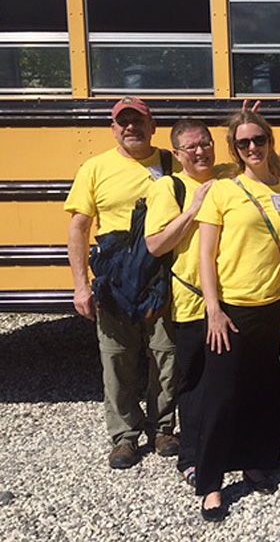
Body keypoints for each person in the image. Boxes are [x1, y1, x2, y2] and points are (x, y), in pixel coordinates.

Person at [194, 109, 280, 521]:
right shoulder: (223, 191)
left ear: (271, 142)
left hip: (275, 305)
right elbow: (206, 254)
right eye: (244, 143)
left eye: (259, 140)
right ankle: (210, 483)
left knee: (265, 391)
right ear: (234, 149)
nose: (253, 148)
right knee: (221, 398)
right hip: (233, 309)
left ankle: (257, 462)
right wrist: (213, 309)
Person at [65, 96, 180, 469]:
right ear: (113, 129)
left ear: (153, 127)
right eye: (123, 123)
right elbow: (79, 228)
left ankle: (163, 428)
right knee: (117, 359)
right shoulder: (95, 168)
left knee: (165, 354)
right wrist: (81, 285)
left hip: (160, 271)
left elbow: (216, 171)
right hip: (115, 275)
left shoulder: (171, 163)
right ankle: (124, 436)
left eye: (138, 121)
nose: (131, 128)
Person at [143, 118, 216, 487]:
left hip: (232, 299)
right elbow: (155, 244)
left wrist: (253, 122)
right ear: (176, 153)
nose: (201, 151)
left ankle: (224, 447)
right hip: (192, 302)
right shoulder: (169, 188)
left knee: (228, 380)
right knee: (195, 382)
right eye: (191, 147)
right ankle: (192, 455)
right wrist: (193, 209)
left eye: (205, 143)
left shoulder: (228, 177)